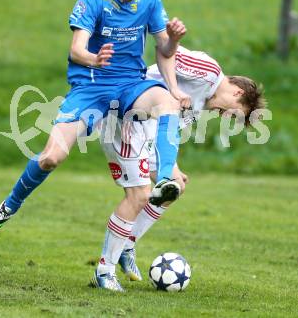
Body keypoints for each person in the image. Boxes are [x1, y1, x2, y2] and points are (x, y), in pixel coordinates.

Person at [0, 0, 190, 272]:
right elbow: (77, 49)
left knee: (167, 102)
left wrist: (173, 41)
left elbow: (164, 49)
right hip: (91, 87)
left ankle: (165, 179)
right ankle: (9, 205)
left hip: (131, 84)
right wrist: (95, 58)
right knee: (51, 158)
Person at [94, 44, 266, 291]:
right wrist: (171, 87)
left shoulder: (201, 105)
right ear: (238, 92)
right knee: (139, 195)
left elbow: (169, 130)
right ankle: (105, 270)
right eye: (235, 114)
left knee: (176, 185)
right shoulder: (208, 71)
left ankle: (128, 243)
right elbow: (167, 54)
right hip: (125, 116)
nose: (225, 118)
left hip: (147, 128)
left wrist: (171, 166)